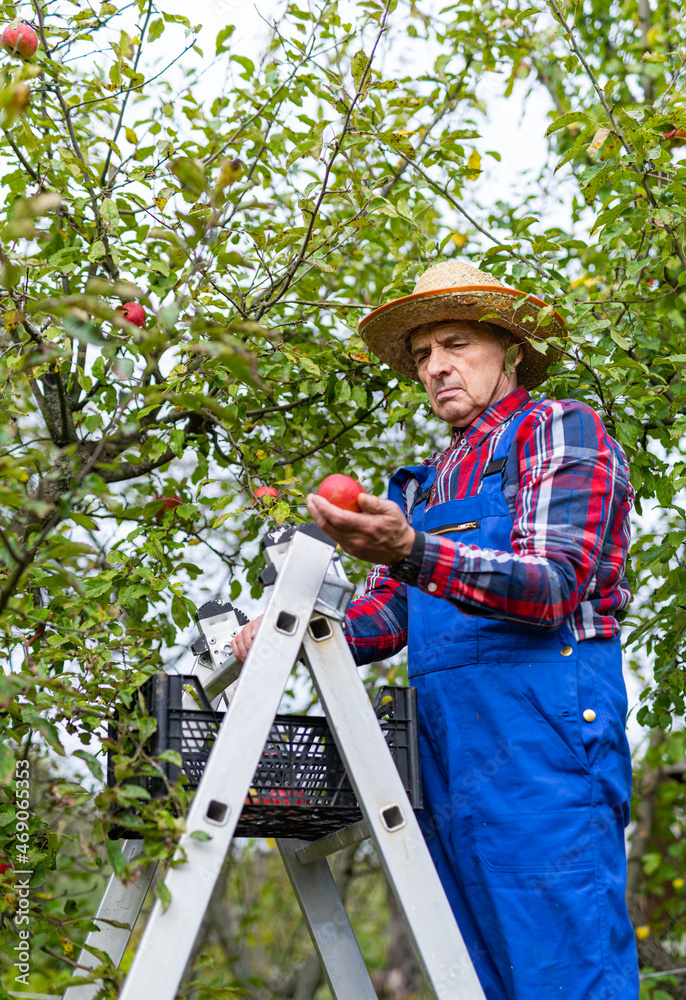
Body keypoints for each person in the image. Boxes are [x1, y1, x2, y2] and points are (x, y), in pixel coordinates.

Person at [232, 260, 639, 1000]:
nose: (436, 366)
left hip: (542, 750)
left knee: (565, 970)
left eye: (455, 344)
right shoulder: (426, 481)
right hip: (450, 754)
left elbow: (551, 584)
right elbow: (390, 614)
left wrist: (413, 549)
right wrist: (288, 632)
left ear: (510, 349)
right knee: (474, 977)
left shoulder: (555, 429)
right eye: (423, 354)